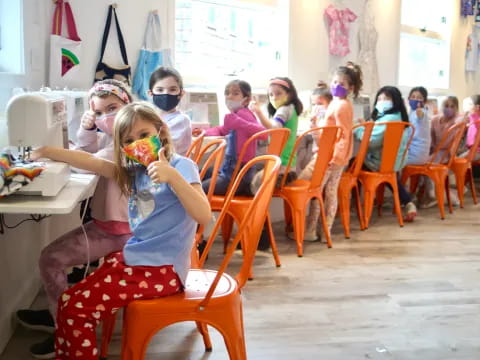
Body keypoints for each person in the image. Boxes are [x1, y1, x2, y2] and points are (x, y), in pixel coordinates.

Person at [29, 102, 211, 360]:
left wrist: (173, 177)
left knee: (77, 309)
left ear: (160, 132)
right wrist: (47, 150)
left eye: (144, 135)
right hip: (137, 260)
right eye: (129, 140)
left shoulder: (181, 166)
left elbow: (203, 215)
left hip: (163, 271)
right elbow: (92, 161)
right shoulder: (136, 171)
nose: (137, 143)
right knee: (69, 303)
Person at [16, 79, 133, 359]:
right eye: (100, 111)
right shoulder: (111, 137)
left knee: (51, 259)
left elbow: (90, 159)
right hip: (110, 228)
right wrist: (87, 127)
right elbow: (87, 148)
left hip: (124, 234)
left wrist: (47, 151)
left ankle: (63, 329)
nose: (107, 116)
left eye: (113, 108)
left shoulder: (130, 145)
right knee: (52, 258)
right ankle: (61, 319)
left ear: (130, 106)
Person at [298, 63, 362, 241]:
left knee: (319, 191)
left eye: (342, 83)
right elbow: (331, 130)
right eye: (334, 81)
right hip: (333, 154)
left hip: (332, 156)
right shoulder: (337, 103)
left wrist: (336, 157)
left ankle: (313, 230)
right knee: (328, 192)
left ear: (351, 88)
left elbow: (343, 135)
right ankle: (325, 231)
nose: (336, 85)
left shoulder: (341, 106)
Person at [248, 77, 303, 249]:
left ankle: (260, 234)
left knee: (255, 183)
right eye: (271, 94)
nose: (274, 97)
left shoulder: (283, 110)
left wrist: (257, 112)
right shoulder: (292, 109)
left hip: (282, 170)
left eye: (278, 93)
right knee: (255, 175)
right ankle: (259, 232)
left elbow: (273, 128)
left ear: (289, 94)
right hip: (290, 168)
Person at [354, 86, 416, 220]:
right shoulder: (399, 117)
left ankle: (356, 204)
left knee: (353, 163)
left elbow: (371, 141)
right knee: (389, 176)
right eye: (380, 98)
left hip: (380, 162)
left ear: (396, 101)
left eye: (386, 98)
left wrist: (359, 129)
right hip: (395, 162)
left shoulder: (387, 120)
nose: (382, 101)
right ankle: (407, 202)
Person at [201, 79, 266, 196]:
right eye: (227, 93)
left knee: (196, 189)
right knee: (198, 174)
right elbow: (222, 129)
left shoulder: (243, 114)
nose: (229, 96)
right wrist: (204, 132)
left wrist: (238, 122)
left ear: (246, 99)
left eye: (235, 93)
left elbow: (264, 133)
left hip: (237, 177)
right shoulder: (235, 115)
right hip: (229, 171)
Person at [149, 66, 192, 156]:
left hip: (174, 167)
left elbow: (162, 147)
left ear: (181, 93)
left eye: (172, 89)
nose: (166, 93)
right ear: (150, 93)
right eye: (160, 90)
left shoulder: (182, 120)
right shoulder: (150, 118)